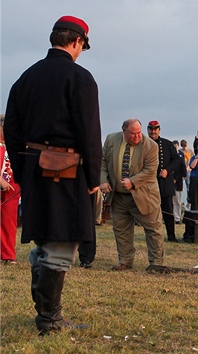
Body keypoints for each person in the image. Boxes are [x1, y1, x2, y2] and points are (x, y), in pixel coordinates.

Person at [3, 15, 100, 335]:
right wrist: (93, 179)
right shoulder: (80, 77)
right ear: (76, 42)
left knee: (45, 240)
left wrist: (22, 169)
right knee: (60, 244)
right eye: (82, 46)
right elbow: (89, 133)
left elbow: (11, 130)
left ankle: (47, 314)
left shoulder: (26, 78)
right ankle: (49, 318)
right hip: (68, 172)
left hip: (32, 169)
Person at [100, 119, 164, 271]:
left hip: (144, 195)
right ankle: (125, 261)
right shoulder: (111, 140)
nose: (137, 137)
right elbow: (102, 162)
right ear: (124, 131)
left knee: (153, 229)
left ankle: (156, 263)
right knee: (121, 230)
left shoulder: (151, 146)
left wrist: (132, 182)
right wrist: (103, 180)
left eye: (139, 133)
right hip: (119, 196)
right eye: (133, 133)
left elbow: (150, 171)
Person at [146, 121, 179, 242]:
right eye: (150, 129)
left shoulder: (167, 144)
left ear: (159, 130)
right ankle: (153, 235)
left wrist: (167, 170)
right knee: (151, 212)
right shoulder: (144, 144)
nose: (153, 131)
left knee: (168, 211)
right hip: (148, 184)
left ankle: (171, 234)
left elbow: (176, 161)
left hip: (164, 183)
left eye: (155, 129)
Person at [1, 114, 20, 265]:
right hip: (3, 186)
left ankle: (8, 255)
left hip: (12, 192)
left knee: (9, 223)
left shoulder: (13, 146)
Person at [172, 140, 186, 224]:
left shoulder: (181, 156)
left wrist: (176, 178)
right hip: (169, 181)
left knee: (177, 200)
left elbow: (183, 170)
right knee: (169, 201)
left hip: (177, 182)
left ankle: (177, 218)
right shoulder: (169, 156)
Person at [188, 147, 198, 211]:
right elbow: (192, 166)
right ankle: (194, 210)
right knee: (194, 197)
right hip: (195, 178)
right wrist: (197, 157)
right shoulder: (194, 157)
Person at [179, 139, 193, 209]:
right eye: (183, 147)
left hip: (188, 169)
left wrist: (189, 167)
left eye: (185, 146)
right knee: (181, 186)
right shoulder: (180, 151)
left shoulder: (190, 151)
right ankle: (181, 200)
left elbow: (192, 159)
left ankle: (189, 200)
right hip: (182, 169)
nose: (184, 148)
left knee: (188, 185)